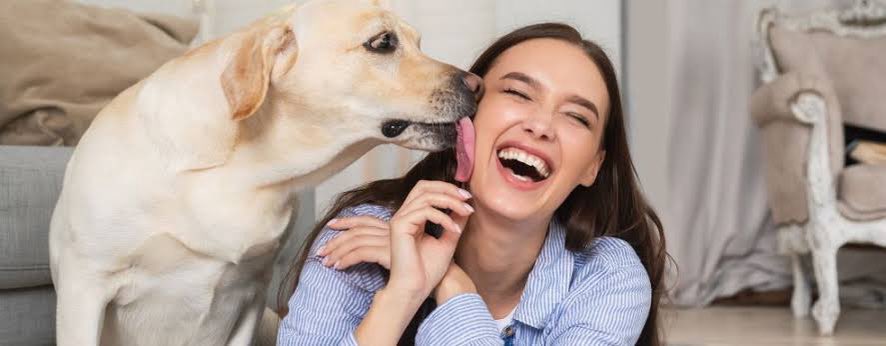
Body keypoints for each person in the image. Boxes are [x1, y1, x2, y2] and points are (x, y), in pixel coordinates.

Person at [277, 22, 668, 346]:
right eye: (518, 93)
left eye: (577, 117)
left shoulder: (607, 275)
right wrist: (401, 294)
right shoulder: (360, 237)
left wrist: (450, 285)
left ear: (592, 168)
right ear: (465, 121)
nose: (541, 126)